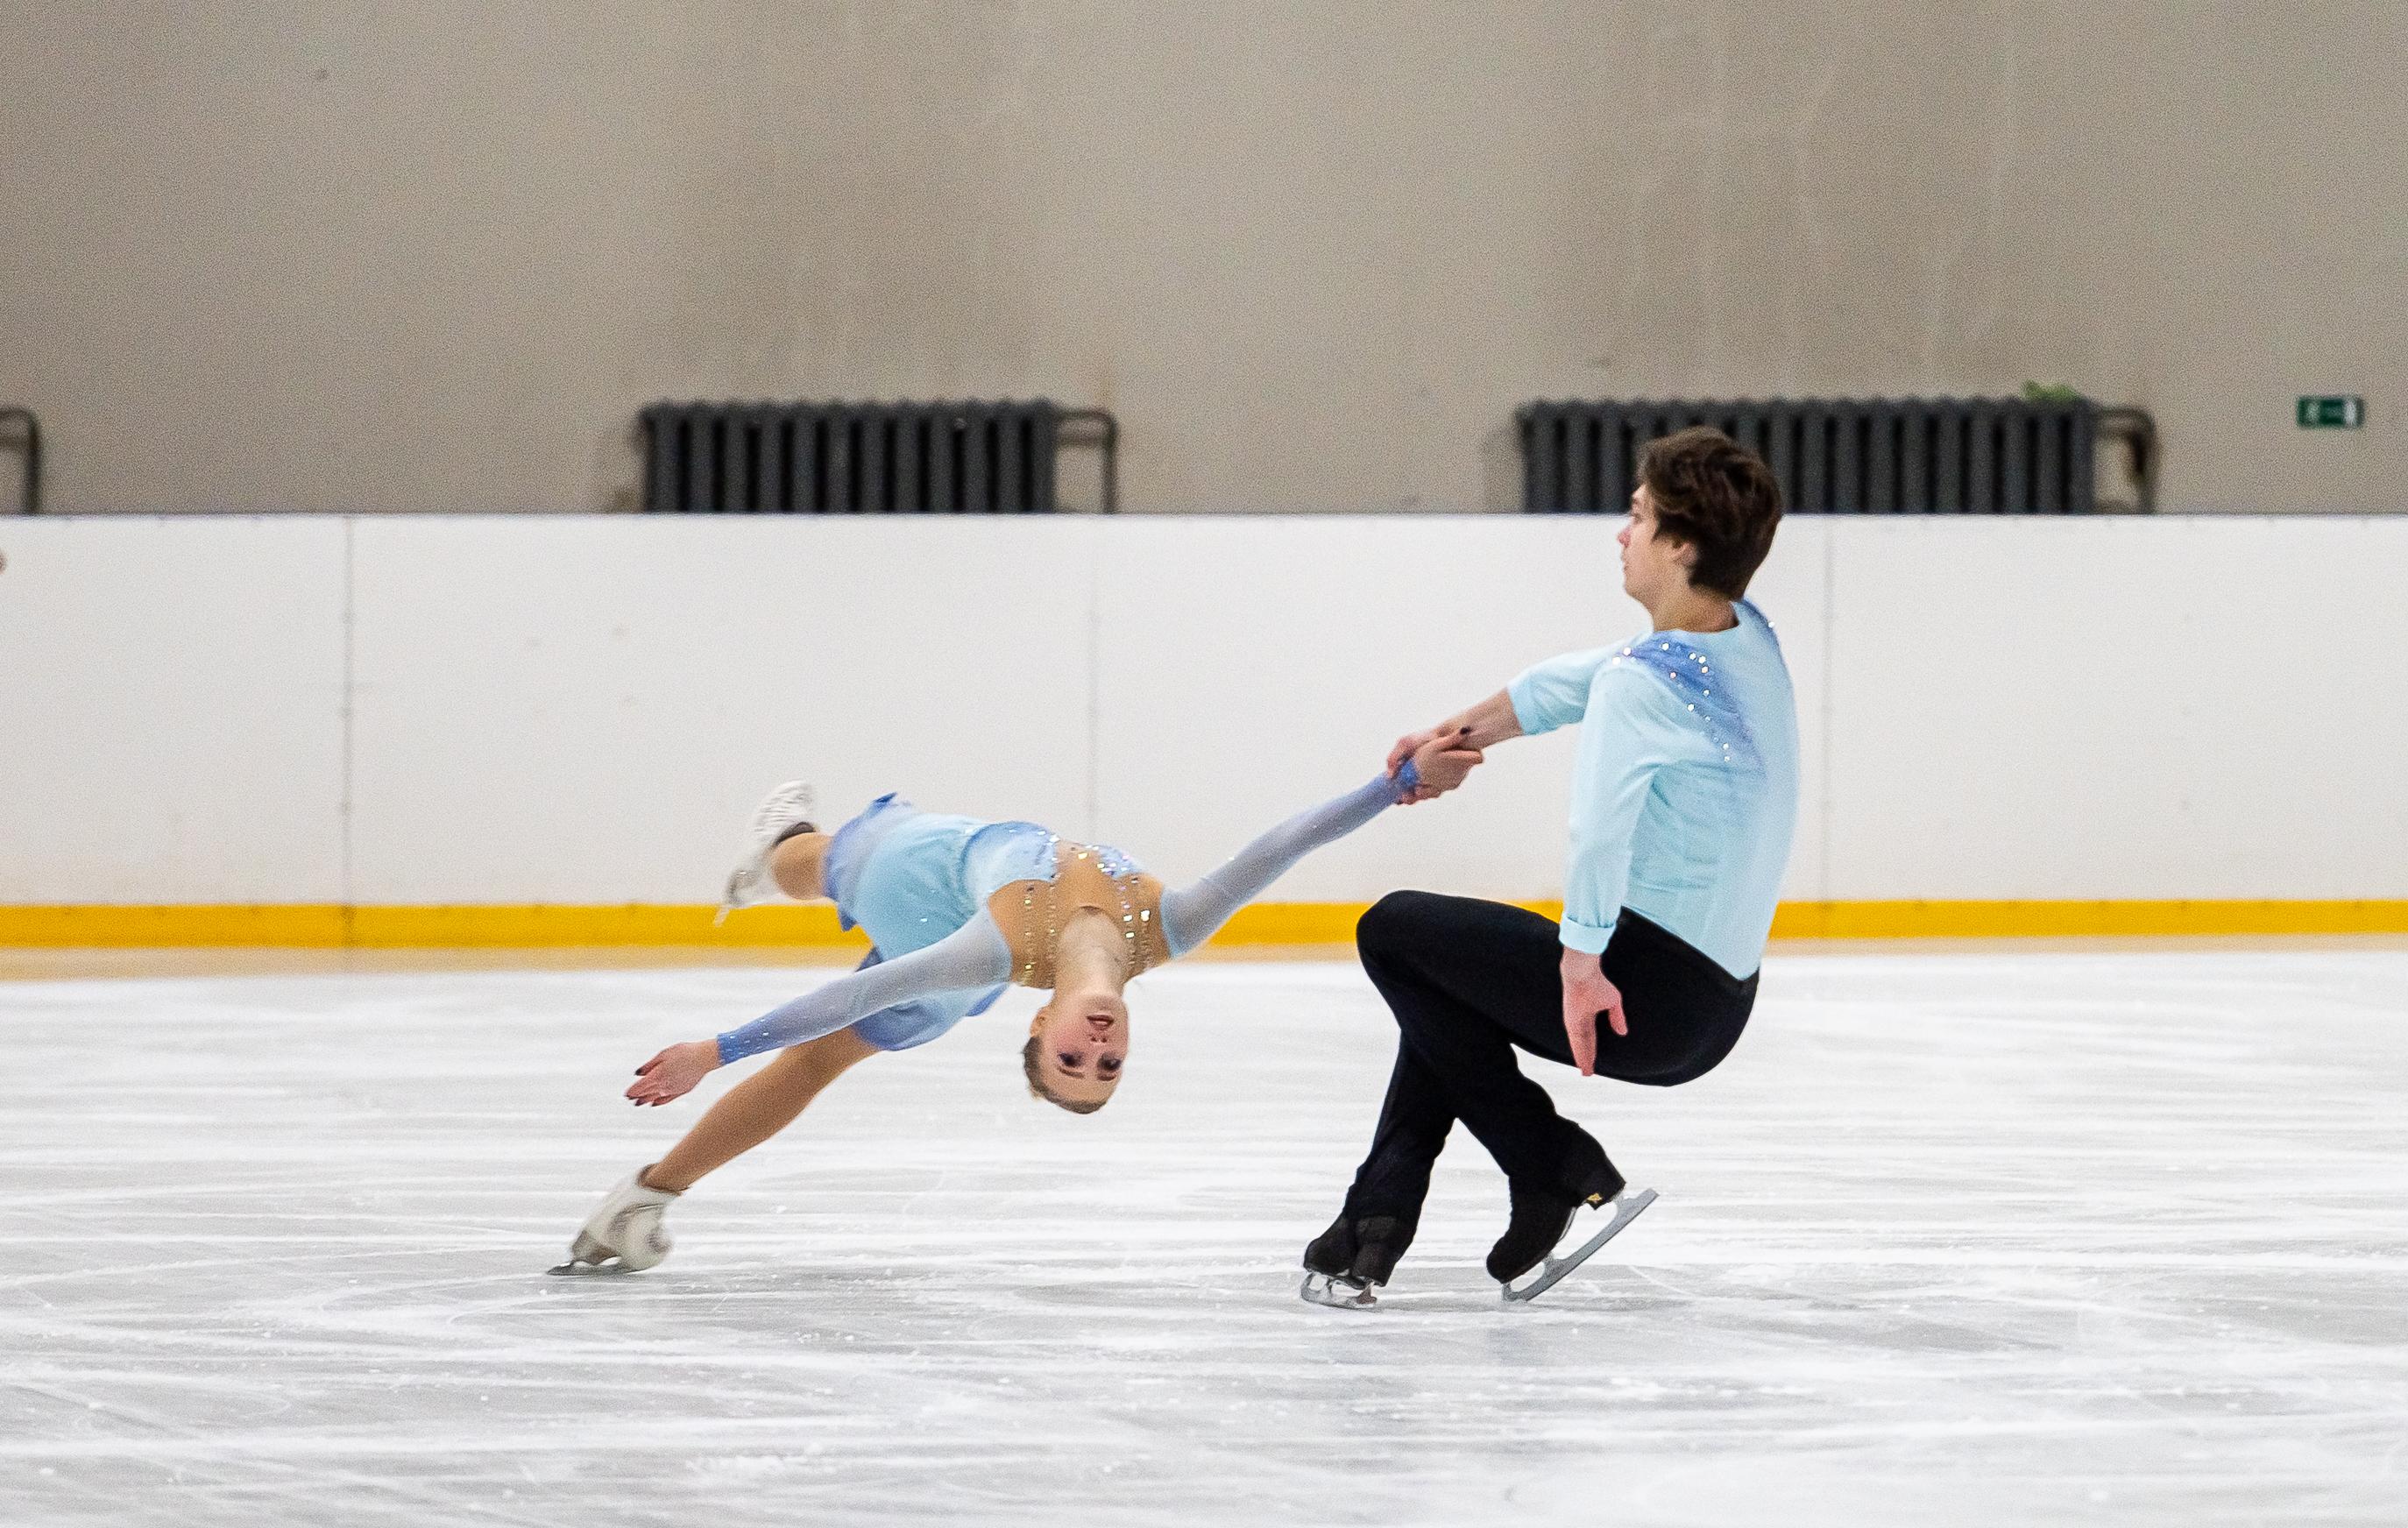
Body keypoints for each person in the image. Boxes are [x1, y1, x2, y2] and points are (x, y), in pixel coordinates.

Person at [555, 733, 1482, 1274]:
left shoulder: (991, 953)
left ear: (1038, 1025)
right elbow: (1281, 846)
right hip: (959, 880)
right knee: (836, 902)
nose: (1096, 1048)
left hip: (932, 883)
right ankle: (782, 854)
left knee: (849, 916)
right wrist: (1397, 783)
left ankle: (641, 1197)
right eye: (1108, 1066)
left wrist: (713, 1048)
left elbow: (858, 986)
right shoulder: (1171, 926)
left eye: (1071, 1062)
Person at [1300, 426, 1795, 1307]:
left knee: (1394, 931)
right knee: (1448, 983)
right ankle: (1373, 1224)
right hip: (1720, 1002)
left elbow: (1598, 832)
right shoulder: (1744, 640)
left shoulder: (1643, 686)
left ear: (1679, 546)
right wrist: (1451, 736)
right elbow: (1578, 677)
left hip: (1650, 997)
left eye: (1638, 517)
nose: (1621, 532)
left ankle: (1557, 1163)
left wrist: (1579, 962)